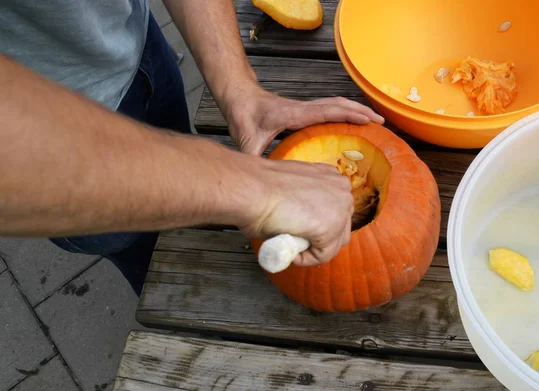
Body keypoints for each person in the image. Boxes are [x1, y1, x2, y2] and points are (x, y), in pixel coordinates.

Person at [0, 1, 384, 295]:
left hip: (136, 51)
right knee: (154, 259)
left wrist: (238, 91)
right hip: (48, 162)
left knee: (188, 210)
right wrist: (257, 191)